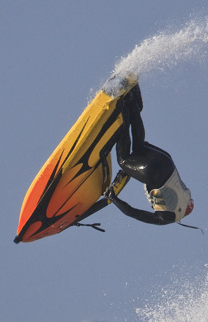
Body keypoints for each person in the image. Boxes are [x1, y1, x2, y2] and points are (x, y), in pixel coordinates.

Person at [77, 83, 193, 229]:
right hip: (154, 173)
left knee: (139, 146)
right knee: (123, 160)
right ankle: (120, 113)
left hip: (167, 161)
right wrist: (113, 198)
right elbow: (134, 213)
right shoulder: (166, 218)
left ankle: (130, 100)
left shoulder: (185, 195)